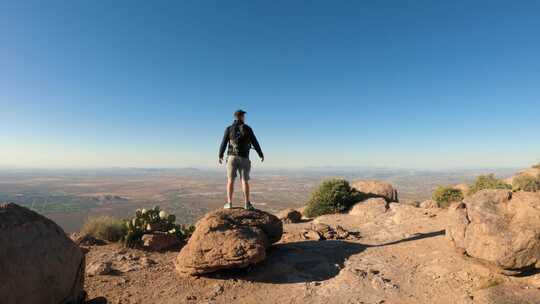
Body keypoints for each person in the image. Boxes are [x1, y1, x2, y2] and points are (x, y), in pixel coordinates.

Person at [219, 110, 264, 210]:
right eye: (244, 116)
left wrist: (220, 155)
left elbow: (223, 143)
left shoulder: (229, 129)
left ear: (235, 117)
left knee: (230, 180)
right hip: (244, 157)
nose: (244, 118)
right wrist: (260, 154)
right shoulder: (247, 128)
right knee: (244, 181)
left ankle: (229, 203)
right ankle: (247, 204)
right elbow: (255, 142)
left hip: (231, 157)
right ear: (242, 117)